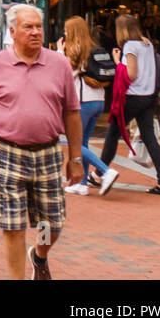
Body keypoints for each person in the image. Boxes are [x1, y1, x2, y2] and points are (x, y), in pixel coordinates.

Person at [0, 4, 83, 280]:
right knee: (13, 225)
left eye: (38, 27)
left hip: (48, 152)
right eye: (28, 27)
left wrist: (76, 159)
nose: (35, 32)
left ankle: (39, 254)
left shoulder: (59, 63)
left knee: (50, 223)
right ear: (12, 32)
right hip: (8, 152)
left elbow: (72, 112)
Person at [99, 14, 160, 195]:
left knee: (112, 134)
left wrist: (116, 61)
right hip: (148, 96)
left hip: (132, 97)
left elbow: (131, 74)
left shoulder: (130, 46)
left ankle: (100, 173)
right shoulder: (147, 43)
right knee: (149, 137)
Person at [57, 16, 119, 196]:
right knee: (82, 142)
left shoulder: (76, 50)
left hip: (82, 101)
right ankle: (81, 183)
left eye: (67, 30)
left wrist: (60, 52)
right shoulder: (93, 48)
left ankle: (106, 171)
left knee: (74, 142)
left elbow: (64, 73)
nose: (65, 33)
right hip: (98, 101)